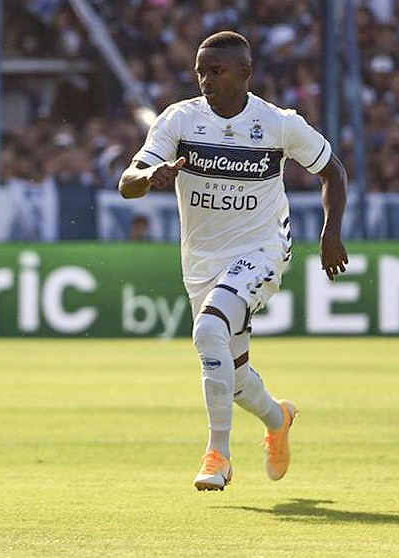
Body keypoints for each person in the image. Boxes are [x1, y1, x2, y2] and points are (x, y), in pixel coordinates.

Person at [118, 31, 348, 491]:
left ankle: (218, 455)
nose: (206, 80)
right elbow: (127, 182)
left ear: (245, 74)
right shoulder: (179, 120)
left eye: (217, 71)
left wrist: (331, 231)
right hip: (202, 260)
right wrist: (149, 176)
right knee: (236, 375)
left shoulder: (279, 123)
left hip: (262, 249)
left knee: (207, 331)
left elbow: (332, 171)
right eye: (201, 71)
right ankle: (278, 417)